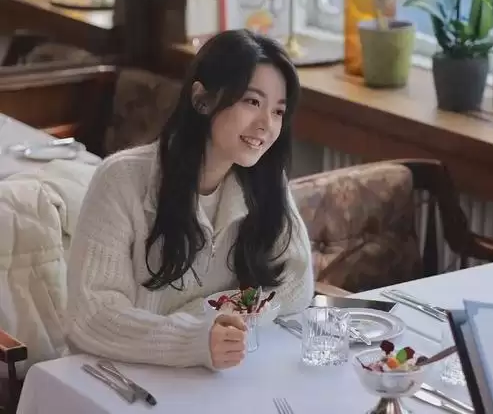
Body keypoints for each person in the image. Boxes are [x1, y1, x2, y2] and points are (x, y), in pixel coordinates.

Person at [65, 30, 314, 370]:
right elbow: (92, 317)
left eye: (278, 111)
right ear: (202, 100)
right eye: (252, 102)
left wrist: (208, 319)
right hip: (114, 376)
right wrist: (194, 337)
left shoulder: (267, 182)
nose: (266, 125)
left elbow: (296, 285)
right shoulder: (121, 179)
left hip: (211, 373)